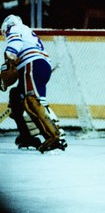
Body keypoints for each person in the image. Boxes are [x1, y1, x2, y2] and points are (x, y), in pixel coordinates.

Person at [0, 14, 67, 153]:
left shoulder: (15, 28)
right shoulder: (28, 32)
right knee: (16, 98)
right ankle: (27, 137)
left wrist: (9, 55)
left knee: (32, 101)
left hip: (32, 65)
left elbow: (14, 45)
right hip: (37, 66)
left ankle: (54, 136)